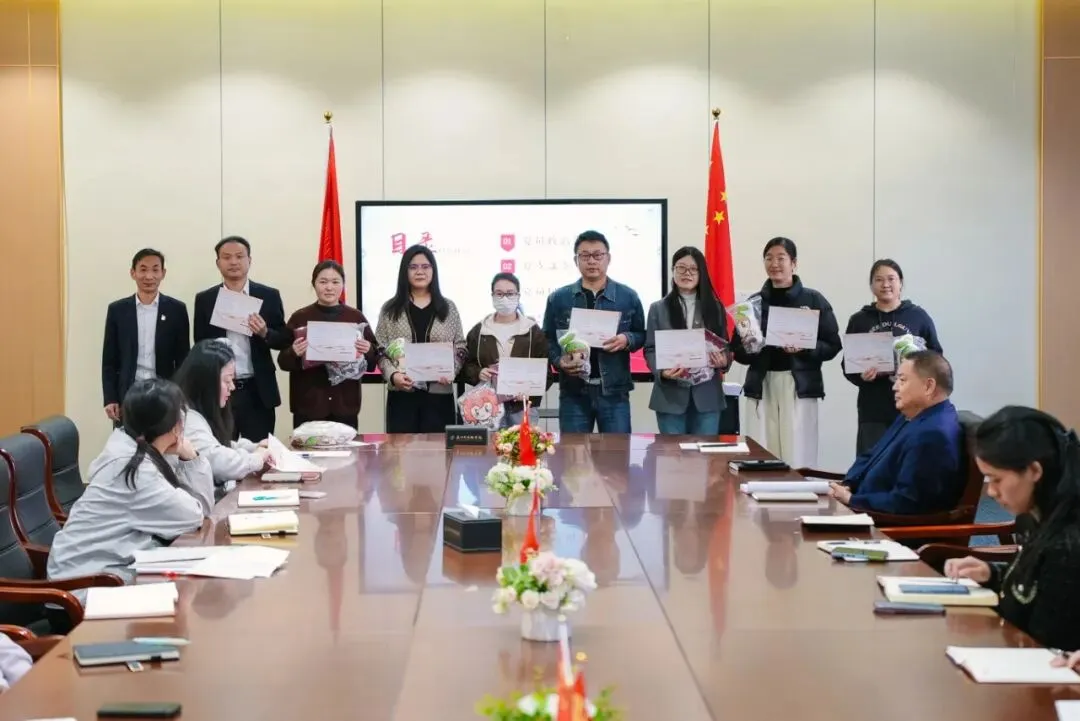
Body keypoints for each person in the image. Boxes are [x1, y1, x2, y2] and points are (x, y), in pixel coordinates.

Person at [47, 378, 215, 586]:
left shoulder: (127, 446)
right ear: (175, 427)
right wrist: (191, 457)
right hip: (87, 585)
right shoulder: (135, 471)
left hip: (101, 569)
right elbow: (195, 514)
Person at [944, 406, 1080, 653]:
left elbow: (1046, 642)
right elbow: (1037, 585)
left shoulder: (1067, 543)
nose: (991, 492)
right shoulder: (1037, 515)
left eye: (996, 479)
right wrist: (991, 574)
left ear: (1034, 471)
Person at [731, 237, 840, 468]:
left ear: (794, 263)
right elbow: (737, 351)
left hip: (798, 384)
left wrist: (806, 348)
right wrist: (753, 346)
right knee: (762, 451)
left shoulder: (813, 299)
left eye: (781, 258)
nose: (774, 264)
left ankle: (800, 490)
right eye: (769, 258)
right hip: (762, 384)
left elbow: (833, 345)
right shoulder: (752, 304)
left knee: (798, 452)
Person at [828, 351, 964, 514]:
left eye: (902, 380)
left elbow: (907, 502)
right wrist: (849, 483)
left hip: (884, 522)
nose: (894, 387)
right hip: (865, 506)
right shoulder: (912, 416)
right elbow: (870, 456)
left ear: (928, 386)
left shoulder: (933, 434)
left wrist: (852, 500)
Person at [542, 230, 645, 433]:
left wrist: (627, 339)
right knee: (573, 452)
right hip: (574, 392)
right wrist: (559, 361)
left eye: (598, 255)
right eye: (585, 256)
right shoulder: (559, 298)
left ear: (608, 258)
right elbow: (547, 338)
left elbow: (642, 334)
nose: (591, 261)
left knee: (617, 451)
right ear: (576, 260)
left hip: (614, 392)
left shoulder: (628, 296)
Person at [193, 236, 291, 442]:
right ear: (218, 263)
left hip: (257, 390)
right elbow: (200, 344)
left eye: (239, 256)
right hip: (220, 390)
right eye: (227, 257)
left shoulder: (268, 295)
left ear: (249, 260)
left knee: (260, 451)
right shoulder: (206, 299)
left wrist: (265, 332)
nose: (233, 262)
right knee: (221, 449)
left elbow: (284, 339)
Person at [843, 259, 943, 454]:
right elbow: (848, 364)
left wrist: (918, 369)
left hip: (912, 406)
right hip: (873, 408)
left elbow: (936, 356)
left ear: (901, 283)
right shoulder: (859, 320)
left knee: (909, 459)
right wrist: (861, 376)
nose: (885, 284)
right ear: (871, 285)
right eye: (879, 280)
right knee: (872, 461)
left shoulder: (918, 316)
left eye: (891, 279)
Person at [278, 261, 380, 430]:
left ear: (343, 284)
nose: (329, 287)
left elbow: (373, 360)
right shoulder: (300, 318)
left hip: (345, 405)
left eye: (335, 282)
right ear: (314, 284)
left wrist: (368, 349)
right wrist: (293, 352)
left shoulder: (355, 317)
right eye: (323, 282)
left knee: (347, 448)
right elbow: (282, 362)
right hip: (308, 405)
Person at [375, 244, 466, 433]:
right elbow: (380, 349)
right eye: (413, 267)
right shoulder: (390, 309)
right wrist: (393, 376)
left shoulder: (448, 308)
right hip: (402, 396)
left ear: (433, 270)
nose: (420, 272)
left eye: (425, 266)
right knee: (400, 450)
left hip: (440, 395)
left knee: (438, 450)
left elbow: (461, 347)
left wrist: (452, 369)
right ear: (405, 271)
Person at [644, 246, 732, 435]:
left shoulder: (715, 308)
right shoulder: (658, 309)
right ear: (673, 271)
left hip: (707, 397)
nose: (687, 273)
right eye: (681, 268)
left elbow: (725, 345)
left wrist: (724, 361)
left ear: (701, 273)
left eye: (693, 269)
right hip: (670, 397)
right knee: (671, 453)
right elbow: (650, 348)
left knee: (704, 453)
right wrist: (662, 372)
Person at [101, 248, 190, 424]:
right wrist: (110, 398)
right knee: (128, 439)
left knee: (163, 439)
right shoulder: (118, 310)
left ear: (163, 273)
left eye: (155, 270)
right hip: (128, 394)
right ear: (133, 273)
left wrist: (181, 397)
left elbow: (183, 360)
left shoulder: (176, 310)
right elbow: (109, 361)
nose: (149, 276)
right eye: (143, 269)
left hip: (165, 394)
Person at [173, 339, 269, 494]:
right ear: (207, 382)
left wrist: (254, 447)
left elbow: (218, 444)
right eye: (227, 380)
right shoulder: (186, 418)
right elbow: (218, 462)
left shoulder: (200, 409)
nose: (232, 387)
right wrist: (257, 458)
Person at [460, 272, 550, 427]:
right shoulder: (479, 331)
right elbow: (466, 364)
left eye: (510, 293)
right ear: (492, 296)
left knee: (523, 443)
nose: (505, 299)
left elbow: (546, 372)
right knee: (490, 443)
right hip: (489, 407)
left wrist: (530, 392)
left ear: (518, 296)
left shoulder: (533, 331)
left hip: (522, 407)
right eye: (499, 294)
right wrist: (478, 373)